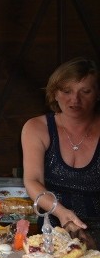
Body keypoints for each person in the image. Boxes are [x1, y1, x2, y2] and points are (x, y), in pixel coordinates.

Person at [22, 57, 100, 242]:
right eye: (66, 91)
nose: (75, 99)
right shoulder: (36, 128)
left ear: (97, 94)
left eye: (86, 91)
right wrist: (62, 213)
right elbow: (33, 181)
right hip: (54, 227)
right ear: (55, 93)